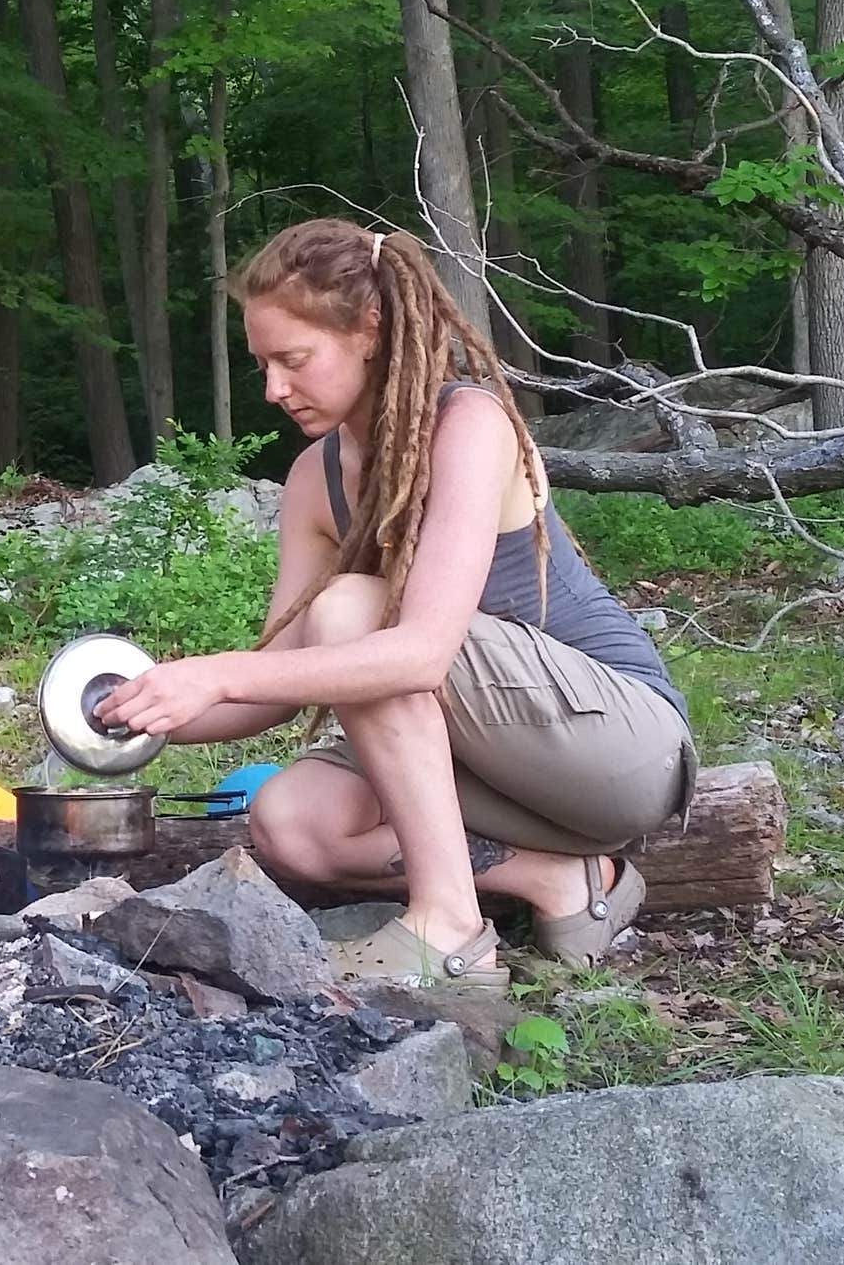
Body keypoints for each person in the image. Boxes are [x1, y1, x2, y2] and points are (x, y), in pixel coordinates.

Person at [95, 218, 695, 986]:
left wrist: (216, 673)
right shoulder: (317, 478)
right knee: (290, 821)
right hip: (500, 761)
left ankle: (449, 928)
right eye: (262, 365)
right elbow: (275, 675)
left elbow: (421, 652)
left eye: (294, 359)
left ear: (369, 328)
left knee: (350, 612)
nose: (275, 388)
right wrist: (135, 711)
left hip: (621, 747)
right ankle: (556, 878)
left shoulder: (470, 424)